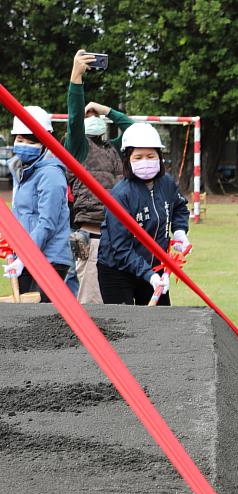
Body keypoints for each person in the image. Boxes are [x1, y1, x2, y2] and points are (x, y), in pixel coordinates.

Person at [65, 49, 133, 304]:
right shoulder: (77, 147)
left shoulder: (113, 148)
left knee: (117, 306)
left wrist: (106, 110)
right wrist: (76, 78)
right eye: (88, 115)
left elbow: (134, 129)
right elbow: (73, 119)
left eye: (95, 116)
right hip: (91, 240)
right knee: (92, 305)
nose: (92, 118)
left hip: (119, 239)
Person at [96, 123, 190, 305]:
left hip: (155, 266)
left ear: (159, 157)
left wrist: (180, 231)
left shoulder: (167, 183)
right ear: (128, 160)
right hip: (117, 270)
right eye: (138, 157)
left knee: (159, 324)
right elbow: (121, 249)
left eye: (150, 156)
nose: (145, 162)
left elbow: (179, 207)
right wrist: (150, 276)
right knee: (124, 327)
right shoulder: (120, 195)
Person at [3, 106, 72, 302]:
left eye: (30, 140)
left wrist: (24, 257)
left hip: (49, 259)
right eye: (19, 139)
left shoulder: (50, 174)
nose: (23, 144)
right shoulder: (21, 170)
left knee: (38, 321)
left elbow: (47, 223)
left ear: (45, 141)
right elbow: (22, 214)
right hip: (27, 255)